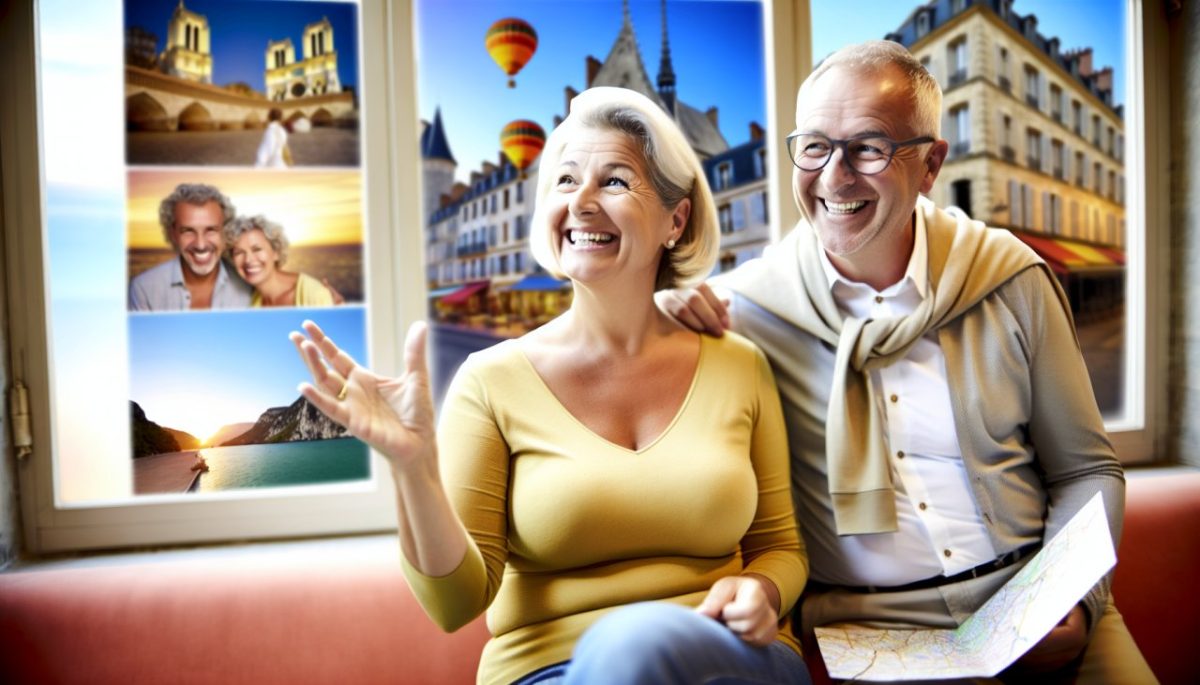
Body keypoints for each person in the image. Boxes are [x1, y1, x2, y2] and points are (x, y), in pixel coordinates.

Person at [660, 40, 1155, 683]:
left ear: (930, 165)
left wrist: (1075, 598)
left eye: (869, 147)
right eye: (813, 146)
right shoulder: (746, 314)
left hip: (1033, 599)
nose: (835, 176)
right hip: (870, 633)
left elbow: (1087, 467)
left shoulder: (1009, 278)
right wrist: (658, 309)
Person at [291, 87, 811, 685]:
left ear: (677, 218)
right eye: (565, 181)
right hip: (546, 672)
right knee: (627, 655)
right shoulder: (490, 382)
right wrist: (414, 469)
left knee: (638, 645)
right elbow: (453, 604)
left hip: (730, 660)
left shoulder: (739, 365)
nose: (582, 202)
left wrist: (763, 591)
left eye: (614, 181)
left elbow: (781, 545)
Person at [129, 183, 253, 311]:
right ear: (173, 234)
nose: (200, 245)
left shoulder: (248, 285)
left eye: (211, 230)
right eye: (188, 231)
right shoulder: (144, 289)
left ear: (225, 231)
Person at [224, 215, 335, 308]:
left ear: (276, 252)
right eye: (239, 252)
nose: (248, 260)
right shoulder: (250, 301)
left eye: (257, 249)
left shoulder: (313, 294)